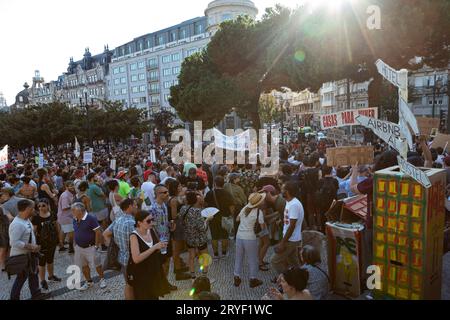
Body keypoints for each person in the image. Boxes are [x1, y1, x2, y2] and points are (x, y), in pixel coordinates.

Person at [9, 199, 49, 300]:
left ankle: (36, 294)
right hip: (22, 256)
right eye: (33, 208)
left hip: (31, 255)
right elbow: (14, 242)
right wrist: (31, 246)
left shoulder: (26, 220)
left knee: (33, 274)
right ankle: (14, 297)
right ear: (27, 209)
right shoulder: (17, 224)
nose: (35, 210)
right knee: (21, 278)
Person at [127, 210, 170, 300]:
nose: (151, 223)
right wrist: (154, 247)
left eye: (152, 220)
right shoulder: (134, 236)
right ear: (139, 223)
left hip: (154, 272)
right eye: (148, 221)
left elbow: (156, 247)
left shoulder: (151, 230)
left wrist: (160, 246)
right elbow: (136, 259)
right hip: (142, 275)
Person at [103, 198, 137, 300]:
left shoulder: (118, 219)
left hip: (122, 257)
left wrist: (116, 246)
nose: (136, 207)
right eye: (135, 205)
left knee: (128, 284)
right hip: (132, 259)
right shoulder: (131, 222)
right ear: (130, 206)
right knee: (132, 285)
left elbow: (105, 234)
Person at [270, 181, 304, 279]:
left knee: (274, 260)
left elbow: (292, 225)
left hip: (291, 240)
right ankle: (300, 279)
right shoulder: (290, 202)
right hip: (292, 239)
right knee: (294, 262)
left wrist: (282, 243)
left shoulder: (293, 204)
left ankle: (288, 279)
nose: (281, 190)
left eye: (283, 189)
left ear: (287, 191)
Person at [72, 202, 107, 291]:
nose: (72, 212)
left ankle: (102, 279)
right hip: (79, 247)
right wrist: (75, 244)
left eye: (73, 210)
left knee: (97, 265)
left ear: (80, 211)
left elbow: (98, 232)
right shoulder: (75, 219)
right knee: (84, 266)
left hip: (91, 247)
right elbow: (75, 232)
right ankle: (89, 282)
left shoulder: (90, 218)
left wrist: (96, 246)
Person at [234, 193, 266, 289]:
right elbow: (262, 226)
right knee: (253, 259)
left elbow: (237, 219)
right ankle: (253, 279)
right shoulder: (258, 212)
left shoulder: (245, 208)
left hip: (239, 236)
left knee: (238, 258)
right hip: (250, 238)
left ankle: (237, 277)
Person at [150, 184, 178, 290]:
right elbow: (151, 227)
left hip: (167, 238)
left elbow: (163, 222)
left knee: (167, 262)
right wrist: (157, 243)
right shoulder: (153, 208)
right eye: (165, 192)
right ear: (158, 194)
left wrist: (170, 224)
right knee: (161, 264)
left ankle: (165, 283)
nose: (167, 194)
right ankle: (161, 284)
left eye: (167, 191)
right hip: (159, 241)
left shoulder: (164, 205)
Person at [180, 191, 213, 279]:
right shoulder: (197, 211)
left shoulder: (183, 209)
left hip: (189, 237)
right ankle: (204, 276)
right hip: (200, 238)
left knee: (191, 256)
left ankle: (193, 276)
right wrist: (207, 220)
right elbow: (202, 228)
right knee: (204, 256)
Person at [32, 198, 61, 291]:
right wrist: (34, 244)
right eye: (39, 206)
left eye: (43, 206)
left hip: (52, 242)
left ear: (48, 205)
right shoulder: (36, 218)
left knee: (50, 260)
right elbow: (34, 231)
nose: (40, 208)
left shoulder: (52, 215)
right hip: (41, 243)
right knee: (42, 262)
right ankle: (42, 280)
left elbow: (57, 227)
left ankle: (51, 276)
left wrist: (60, 240)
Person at [205, 176, 235, 259]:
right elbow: (232, 207)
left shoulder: (209, 193)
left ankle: (215, 254)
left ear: (214, 183)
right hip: (224, 217)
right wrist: (231, 216)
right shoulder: (227, 193)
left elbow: (205, 205)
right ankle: (224, 253)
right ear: (223, 183)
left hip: (212, 217)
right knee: (224, 236)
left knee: (214, 236)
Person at [167, 179, 190, 280]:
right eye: (179, 186)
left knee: (179, 249)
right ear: (175, 188)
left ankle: (179, 267)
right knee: (176, 250)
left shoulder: (176, 198)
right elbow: (173, 215)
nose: (181, 187)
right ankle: (178, 272)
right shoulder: (174, 200)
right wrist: (184, 212)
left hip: (178, 225)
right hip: (177, 226)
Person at [86, 173, 108, 250]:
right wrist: (101, 185)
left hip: (93, 209)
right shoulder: (94, 187)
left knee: (96, 228)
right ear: (92, 178)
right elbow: (103, 195)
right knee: (101, 228)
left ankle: (97, 244)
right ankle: (103, 245)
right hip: (100, 208)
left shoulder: (87, 187)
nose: (97, 177)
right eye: (95, 176)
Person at [315, 165, 339, 232]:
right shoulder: (335, 180)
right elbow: (336, 191)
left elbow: (318, 191)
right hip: (333, 202)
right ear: (331, 171)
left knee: (323, 217)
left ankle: (324, 231)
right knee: (333, 218)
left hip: (323, 203)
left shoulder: (320, 181)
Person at [57, 181, 75, 254]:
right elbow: (64, 207)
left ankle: (61, 246)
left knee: (63, 230)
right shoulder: (65, 196)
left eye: (73, 185)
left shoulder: (69, 194)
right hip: (66, 217)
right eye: (70, 186)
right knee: (71, 232)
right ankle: (71, 248)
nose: (72, 187)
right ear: (66, 187)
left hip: (65, 216)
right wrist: (74, 205)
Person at [0, 207, 10, 272]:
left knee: (5, 249)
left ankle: (5, 264)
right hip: (3, 234)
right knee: (3, 249)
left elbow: (8, 225)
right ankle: (3, 264)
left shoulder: (5, 218)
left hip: (4, 234)